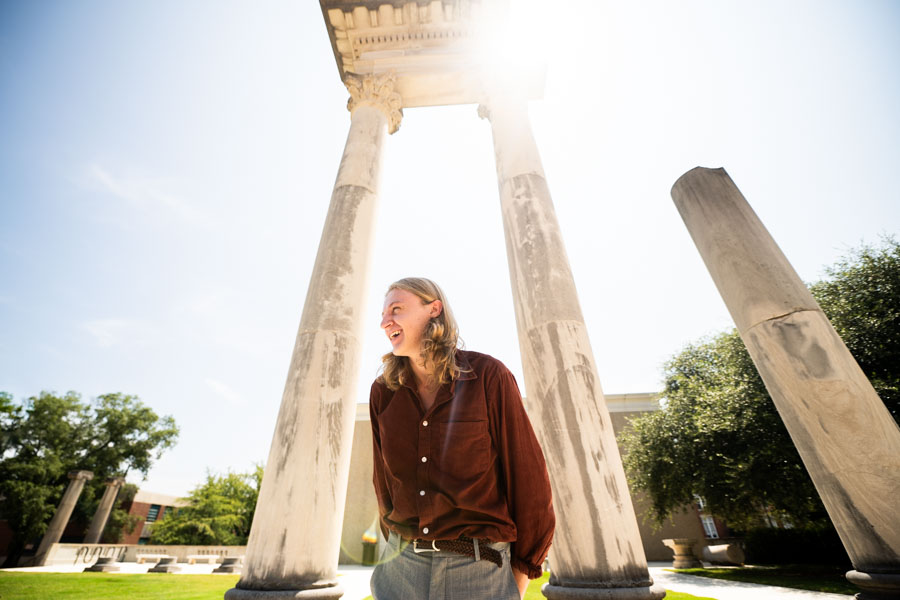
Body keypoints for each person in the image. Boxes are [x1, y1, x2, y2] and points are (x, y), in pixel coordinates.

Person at [369, 277, 555, 600]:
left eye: (396, 309)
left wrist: (517, 580)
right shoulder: (382, 394)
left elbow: (530, 485)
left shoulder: (490, 378)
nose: (385, 321)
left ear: (434, 310)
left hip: (478, 574)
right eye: (384, 313)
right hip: (400, 573)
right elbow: (383, 486)